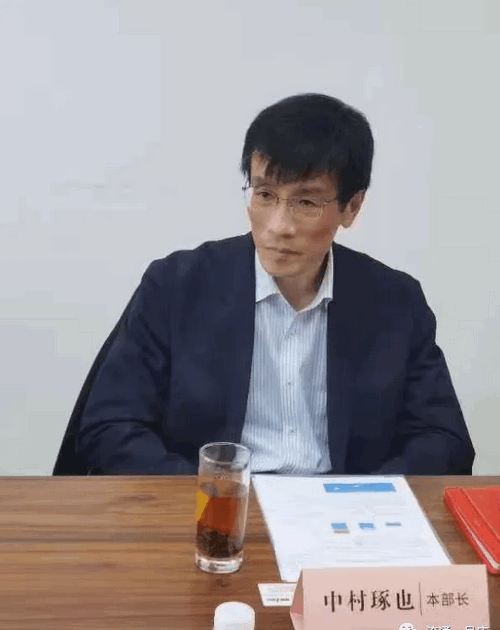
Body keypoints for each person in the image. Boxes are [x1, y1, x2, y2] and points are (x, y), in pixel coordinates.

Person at [75, 93, 475, 475]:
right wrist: (214, 493)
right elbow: (109, 428)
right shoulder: (177, 286)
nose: (278, 226)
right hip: (214, 504)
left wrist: (365, 497)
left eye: (306, 202)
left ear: (352, 207)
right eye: (265, 194)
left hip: (342, 509)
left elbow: (444, 440)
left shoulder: (395, 302)